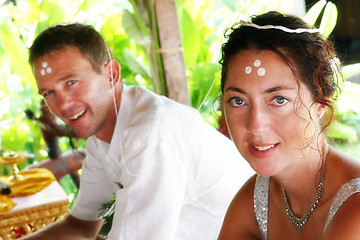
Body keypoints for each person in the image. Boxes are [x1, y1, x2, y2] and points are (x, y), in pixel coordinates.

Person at [21, 23, 254, 239]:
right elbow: (79, 227)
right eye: (49, 93)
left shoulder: (149, 134)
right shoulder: (104, 138)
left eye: (71, 82)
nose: (62, 104)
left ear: (111, 74)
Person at [217, 11, 360, 240]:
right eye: (239, 101)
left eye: (279, 100)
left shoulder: (355, 209)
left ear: (321, 102)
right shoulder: (256, 200)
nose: (256, 126)